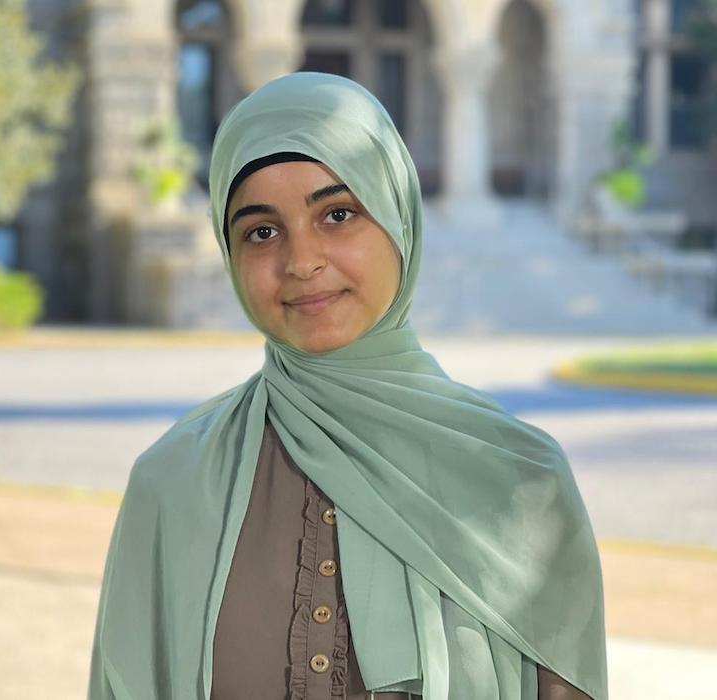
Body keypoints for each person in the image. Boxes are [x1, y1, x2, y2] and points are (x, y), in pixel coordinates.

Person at [87, 72, 607, 700]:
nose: (301, 262)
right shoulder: (172, 483)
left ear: (399, 220)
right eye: (261, 230)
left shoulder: (523, 484)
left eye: (337, 214)